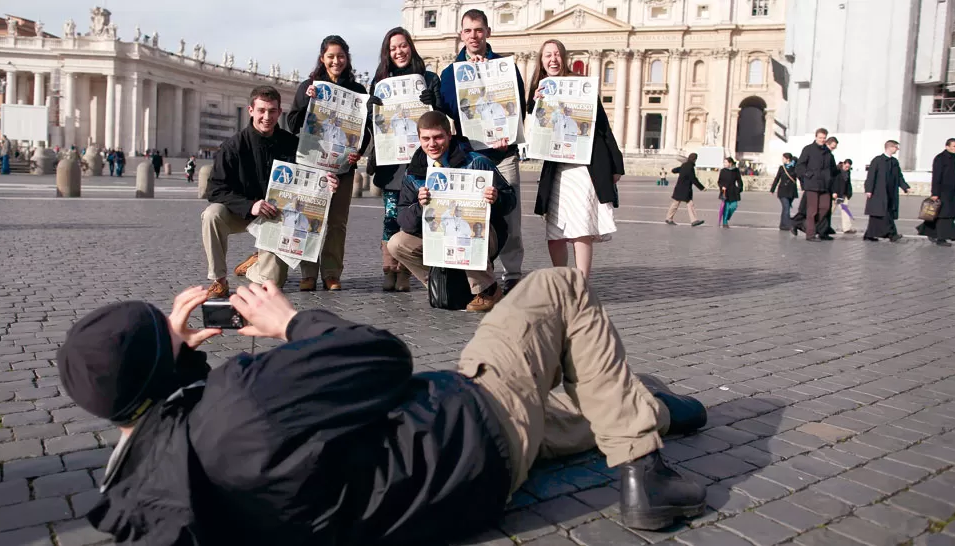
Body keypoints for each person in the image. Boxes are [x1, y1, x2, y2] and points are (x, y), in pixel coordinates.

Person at [57, 269, 708, 545]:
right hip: (468, 427)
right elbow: (382, 356)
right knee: (555, 290)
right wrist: (290, 322)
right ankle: (644, 468)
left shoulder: (144, 501)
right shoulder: (240, 405)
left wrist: (177, 361)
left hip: (445, 489)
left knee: (565, 408)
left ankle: (649, 405)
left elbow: (185, 428)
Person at [389, 111, 515, 313]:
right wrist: (420, 207)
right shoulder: (413, 172)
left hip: (482, 234)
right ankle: (443, 281)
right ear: (419, 139)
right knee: (396, 243)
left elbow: (511, 200)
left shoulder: (476, 162)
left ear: (449, 135)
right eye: (426, 138)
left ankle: (488, 290)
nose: (432, 144)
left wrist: (497, 198)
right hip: (437, 236)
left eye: (438, 137)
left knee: (462, 231)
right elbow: (404, 218)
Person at [440, 9, 527, 295]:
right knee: (475, 216)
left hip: (504, 154)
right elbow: (449, 110)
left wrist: (509, 132)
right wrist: (471, 79)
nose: (473, 35)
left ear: (487, 32)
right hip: (471, 156)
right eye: (468, 31)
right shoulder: (450, 73)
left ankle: (513, 273)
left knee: (511, 215)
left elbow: (518, 104)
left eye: (478, 30)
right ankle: (483, 274)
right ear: (461, 35)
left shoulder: (505, 66)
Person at [530, 39, 622, 279]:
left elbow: (602, 125)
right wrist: (535, 104)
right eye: (547, 54)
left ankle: (580, 282)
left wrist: (616, 163)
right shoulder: (538, 89)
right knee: (555, 228)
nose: (553, 59)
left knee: (581, 226)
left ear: (564, 58)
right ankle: (562, 280)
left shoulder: (581, 85)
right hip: (555, 168)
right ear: (541, 60)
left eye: (557, 54)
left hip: (583, 167)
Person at [286, 35, 368, 292]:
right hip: (312, 165)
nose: (336, 61)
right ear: (323, 58)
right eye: (331, 56)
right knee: (309, 217)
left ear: (347, 59)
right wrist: (309, 101)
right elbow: (293, 124)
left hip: (343, 167)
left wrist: (359, 152)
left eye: (341, 56)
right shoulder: (308, 87)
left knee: (337, 222)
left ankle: (332, 273)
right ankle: (308, 273)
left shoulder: (358, 91)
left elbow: (365, 131)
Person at [201, 86, 299, 298]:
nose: (267, 117)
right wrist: (250, 205)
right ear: (251, 110)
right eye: (262, 110)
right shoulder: (232, 146)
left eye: (272, 111)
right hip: (239, 213)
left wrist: (325, 180)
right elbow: (215, 190)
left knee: (273, 283)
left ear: (279, 112)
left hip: (275, 217)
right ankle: (219, 279)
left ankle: (254, 267)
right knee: (211, 215)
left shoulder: (292, 144)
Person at [367, 27, 445, 293]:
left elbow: (442, 119)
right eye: (393, 48)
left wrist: (433, 101)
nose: (399, 51)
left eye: (403, 46)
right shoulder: (379, 82)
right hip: (391, 164)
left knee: (417, 217)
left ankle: (407, 272)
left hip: (420, 162)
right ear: (387, 53)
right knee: (391, 217)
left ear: (410, 47)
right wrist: (371, 110)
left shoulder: (429, 79)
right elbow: (372, 128)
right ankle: (389, 269)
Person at [795, 129, 839, 242]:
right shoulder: (808, 149)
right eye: (820, 138)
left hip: (825, 185)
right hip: (812, 184)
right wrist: (808, 175)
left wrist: (836, 172)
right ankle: (810, 234)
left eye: (824, 138)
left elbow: (833, 168)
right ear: (816, 137)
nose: (822, 140)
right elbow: (800, 166)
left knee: (825, 208)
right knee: (812, 210)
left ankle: (806, 225)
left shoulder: (828, 152)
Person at [863, 140, 910, 242]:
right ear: (890, 147)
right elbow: (871, 176)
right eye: (896, 147)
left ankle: (869, 234)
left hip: (890, 192)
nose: (897, 150)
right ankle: (892, 234)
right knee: (884, 213)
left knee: (877, 216)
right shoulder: (877, 160)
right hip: (878, 192)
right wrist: (868, 190)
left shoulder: (894, 162)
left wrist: (905, 187)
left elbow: (899, 177)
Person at [917, 138, 955, 247]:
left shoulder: (954, 158)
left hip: (952, 192)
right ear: (947, 146)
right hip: (942, 191)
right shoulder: (940, 158)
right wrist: (935, 193)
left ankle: (927, 230)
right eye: (954, 146)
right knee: (944, 215)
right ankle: (941, 238)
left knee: (948, 214)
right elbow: (936, 176)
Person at [665, 153, 706, 226]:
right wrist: (702, 187)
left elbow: (675, 170)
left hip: (679, 188)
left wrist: (674, 170)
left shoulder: (684, 165)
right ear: (695, 160)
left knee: (675, 203)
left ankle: (669, 218)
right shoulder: (690, 167)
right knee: (690, 204)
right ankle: (694, 220)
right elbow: (693, 179)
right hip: (685, 189)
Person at [769, 152, 798, 230]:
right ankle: (787, 224)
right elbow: (777, 178)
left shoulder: (795, 167)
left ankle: (782, 225)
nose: (782, 160)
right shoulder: (782, 168)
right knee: (786, 207)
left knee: (786, 208)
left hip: (791, 191)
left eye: (783, 158)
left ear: (788, 159)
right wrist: (772, 189)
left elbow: (800, 177)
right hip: (783, 191)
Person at [717, 157, 744, 228]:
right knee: (725, 207)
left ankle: (727, 216)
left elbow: (739, 180)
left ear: (730, 163)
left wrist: (739, 188)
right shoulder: (723, 170)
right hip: (725, 191)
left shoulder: (736, 170)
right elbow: (719, 181)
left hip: (733, 190)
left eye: (726, 162)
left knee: (733, 206)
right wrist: (722, 186)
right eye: (724, 162)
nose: (724, 164)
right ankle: (725, 222)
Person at [832, 158, 855, 234]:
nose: (847, 168)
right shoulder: (836, 170)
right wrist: (833, 192)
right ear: (843, 164)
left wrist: (849, 193)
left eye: (848, 167)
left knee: (845, 210)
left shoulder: (848, 172)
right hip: (835, 195)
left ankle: (847, 228)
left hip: (843, 195)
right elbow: (832, 181)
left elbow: (848, 183)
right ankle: (821, 225)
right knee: (829, 211)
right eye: (846, 166)